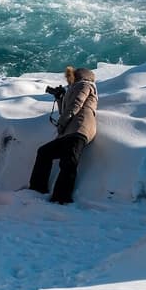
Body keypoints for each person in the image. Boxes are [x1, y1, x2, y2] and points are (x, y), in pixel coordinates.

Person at [29, 66, 98, 204]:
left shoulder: (84, 85)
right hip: (71, 131)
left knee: (69, 163)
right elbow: (66, 110)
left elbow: (76, 105)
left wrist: (61, 124)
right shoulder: (76, 87)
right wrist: (60, 98)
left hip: (80, 129)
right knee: (44, 152)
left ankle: (61, 197)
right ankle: (37, 190)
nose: (68, 80)